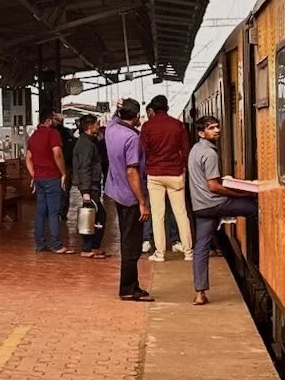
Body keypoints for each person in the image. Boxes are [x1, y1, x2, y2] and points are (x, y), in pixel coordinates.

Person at [187, 114, 257, 306]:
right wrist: (242, 193)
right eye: (211, 128)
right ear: (202, 133)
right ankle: (259, 256)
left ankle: (200, 293)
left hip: (200, 206)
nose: (217, 130)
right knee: (255, 209)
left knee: (201, 247)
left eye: (217, 127)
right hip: (215, 203)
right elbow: (214, 186)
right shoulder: (210, 153)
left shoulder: (195, 149)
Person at [102, 99, 150, 300]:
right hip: (130, 197)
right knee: (132, 244)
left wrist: (117, 107)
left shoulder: (111, 129)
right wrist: (142, 202)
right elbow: (132, 171)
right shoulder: (132, 138)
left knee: (127, 239)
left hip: (116, 193)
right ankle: (128, 289)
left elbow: (114, 117)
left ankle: (133, 285)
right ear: (137, 116)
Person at [139, 95, 195, 263]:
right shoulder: (178, 125)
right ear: (167, 107)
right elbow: (185, 150)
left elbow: (143, 150)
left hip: (155, 174)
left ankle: (160, 253)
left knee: (157, 215)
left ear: (153, 110)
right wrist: (182, 168)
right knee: (181, 213)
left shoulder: (147, 126)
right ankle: (188, 252)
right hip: (175, 173)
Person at [26, 107, 70, 253]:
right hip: (52, 177)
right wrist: (63, 173)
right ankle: (56, 245)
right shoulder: (53, 133)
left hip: (39, 179)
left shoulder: (33, 136)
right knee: (53, 212)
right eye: (55, 119)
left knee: (40, 212)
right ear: (49, 120)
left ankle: (40, 243)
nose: (57, 121)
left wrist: (34, 175)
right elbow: (57, 154)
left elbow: (28, 159)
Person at [70, 115, 108, 258]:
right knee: (94, 216)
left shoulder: (90, 141)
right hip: (90, 186)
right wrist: (85, 191)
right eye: (97, 124)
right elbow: (84, 167)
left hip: (92, 184)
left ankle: (93, 246)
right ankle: (88, 248)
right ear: (90, 126)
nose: (99, 126)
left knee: (97, 215)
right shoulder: (86, 144)